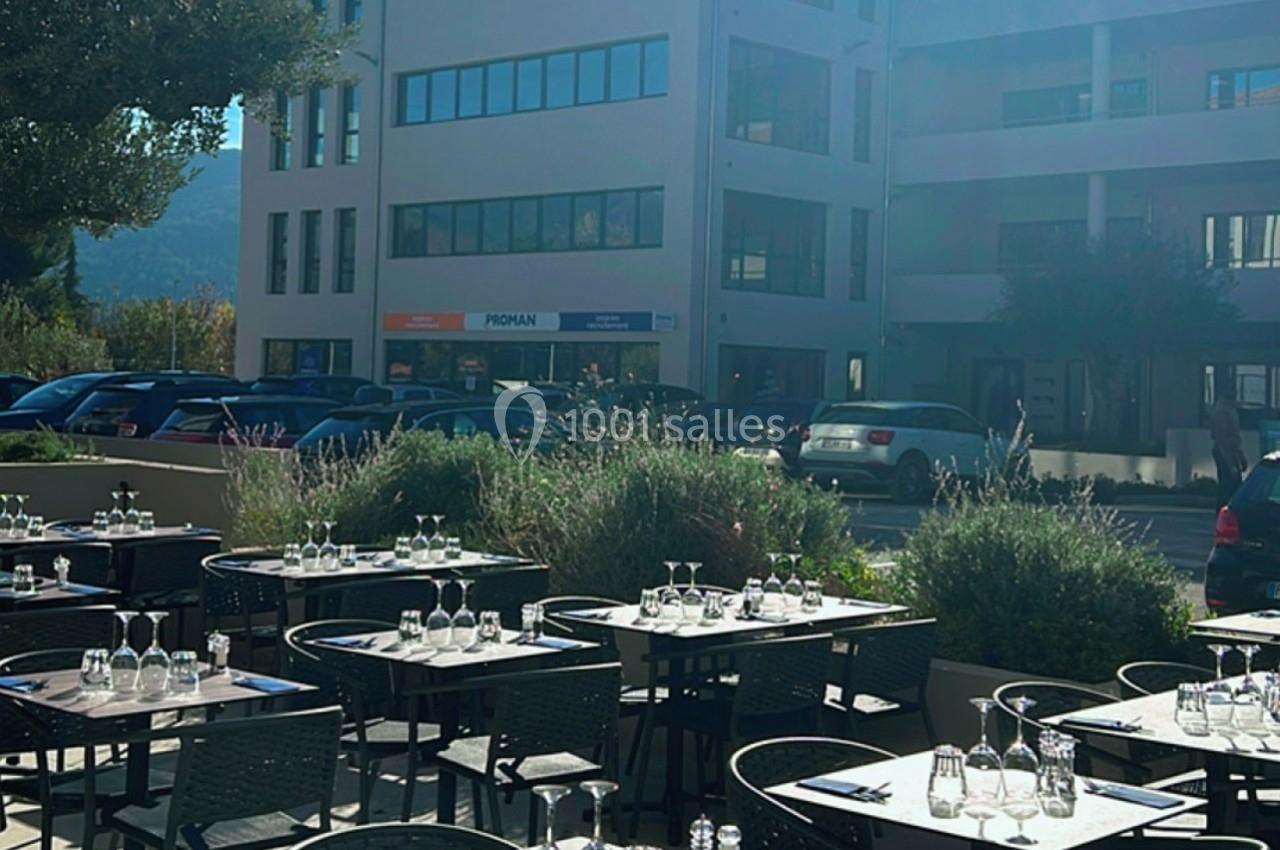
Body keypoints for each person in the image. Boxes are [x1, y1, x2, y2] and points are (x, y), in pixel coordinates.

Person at [1210, 386, 1248, 508]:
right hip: (1225, 453)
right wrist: (1231, 463)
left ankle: (1226, 511)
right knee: (1229, 484)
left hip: (1230, 452)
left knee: (1230, 483)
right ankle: (1225, 511)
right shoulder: (1223, 411)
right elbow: (1223, 439)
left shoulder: (1227, 409)